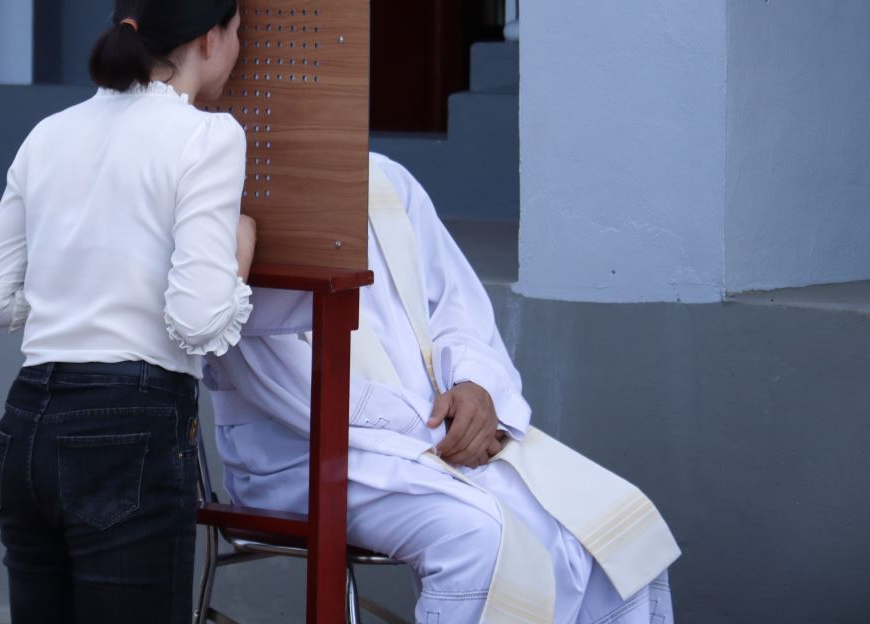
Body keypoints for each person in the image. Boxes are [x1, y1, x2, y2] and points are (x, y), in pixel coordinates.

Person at [204, 153, 680, 624]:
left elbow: (455, 306)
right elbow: (282, 381)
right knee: (477, 538)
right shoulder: (230, 195)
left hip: (434, 441)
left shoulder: (384, 179)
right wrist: (441, 427)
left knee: (611, 530)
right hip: (298, 457)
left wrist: (475, 387)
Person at [0, 0, 256, 624]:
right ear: (211, 38)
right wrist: (243, 248)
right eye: (238, 32)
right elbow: (198, 322)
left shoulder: (48, 132)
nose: (239, 47)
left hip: (28, 421)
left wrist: (77, 290)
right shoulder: (208, 137)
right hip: (129, 424)